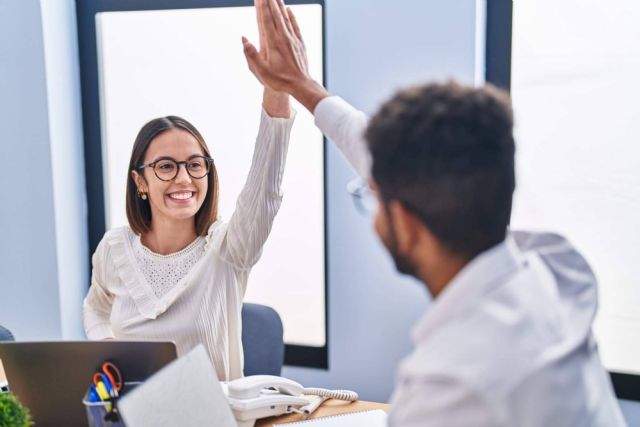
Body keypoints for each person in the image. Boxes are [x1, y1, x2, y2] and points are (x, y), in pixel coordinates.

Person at [241, 0, 627, 425]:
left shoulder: (448, 387)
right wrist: (303, 87)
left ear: (405, 223)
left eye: (372, 196)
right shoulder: (556, 268)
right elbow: (390, 157)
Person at [82, 63, 295, 381]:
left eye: (195, 165)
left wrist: (276, 92)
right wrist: (106, 345)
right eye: (166, 167)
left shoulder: (229, 249)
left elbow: (263, 193)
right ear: (140, 181)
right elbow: (96, 308)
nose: (184, 179)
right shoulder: (114, 248)